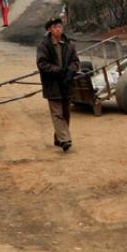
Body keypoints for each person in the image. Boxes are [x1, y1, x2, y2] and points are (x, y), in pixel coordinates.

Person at [36, 17, 80, 152]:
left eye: (60, 26)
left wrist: (70, 72)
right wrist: (58, 71)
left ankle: (58, 137)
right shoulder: (44, 45)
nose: (58, 29)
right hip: (52, 85)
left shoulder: (69, 44)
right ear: (49, 29)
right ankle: (65, 140)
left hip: (66, 84)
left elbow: (76, 62)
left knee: (66, 114)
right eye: (54, 27)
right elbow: (42, 64)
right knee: (57, 114)